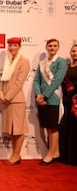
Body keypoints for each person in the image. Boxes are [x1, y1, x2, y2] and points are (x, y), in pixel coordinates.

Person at [34, 38, 67, 166]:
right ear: (46, 47)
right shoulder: (41, 63)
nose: (52, 48)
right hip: (41, 97)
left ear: (58, 48)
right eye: (50, 46)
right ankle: (56, 152)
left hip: (53, 97)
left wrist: (45, 96)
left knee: (53, 127)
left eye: (55, 46)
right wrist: (38, 95)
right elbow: (37, 80)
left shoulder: (61, 62)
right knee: (48, 126)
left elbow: (57, 80)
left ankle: (50, 155)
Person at [0, 37, 30, 165]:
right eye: (10, 45)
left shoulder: (24, 61)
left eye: (15, 45)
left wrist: (7, 97)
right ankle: (15, 154)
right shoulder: (8, 61)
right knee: (12, 129)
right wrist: (0, 93)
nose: (12, 48)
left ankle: (16, 155)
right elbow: (3, 80)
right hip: (6, 100)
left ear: (19, 46)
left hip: (16, 100)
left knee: (19, 129)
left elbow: (19, 83)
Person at [60, 44, 77, 166]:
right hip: (67, 101)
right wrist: (68, 96)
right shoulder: (66, 67)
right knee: (69, 127)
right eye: (73, 51)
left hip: (76, 101)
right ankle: (67, 156)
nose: (75, 53)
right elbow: (63, 84)